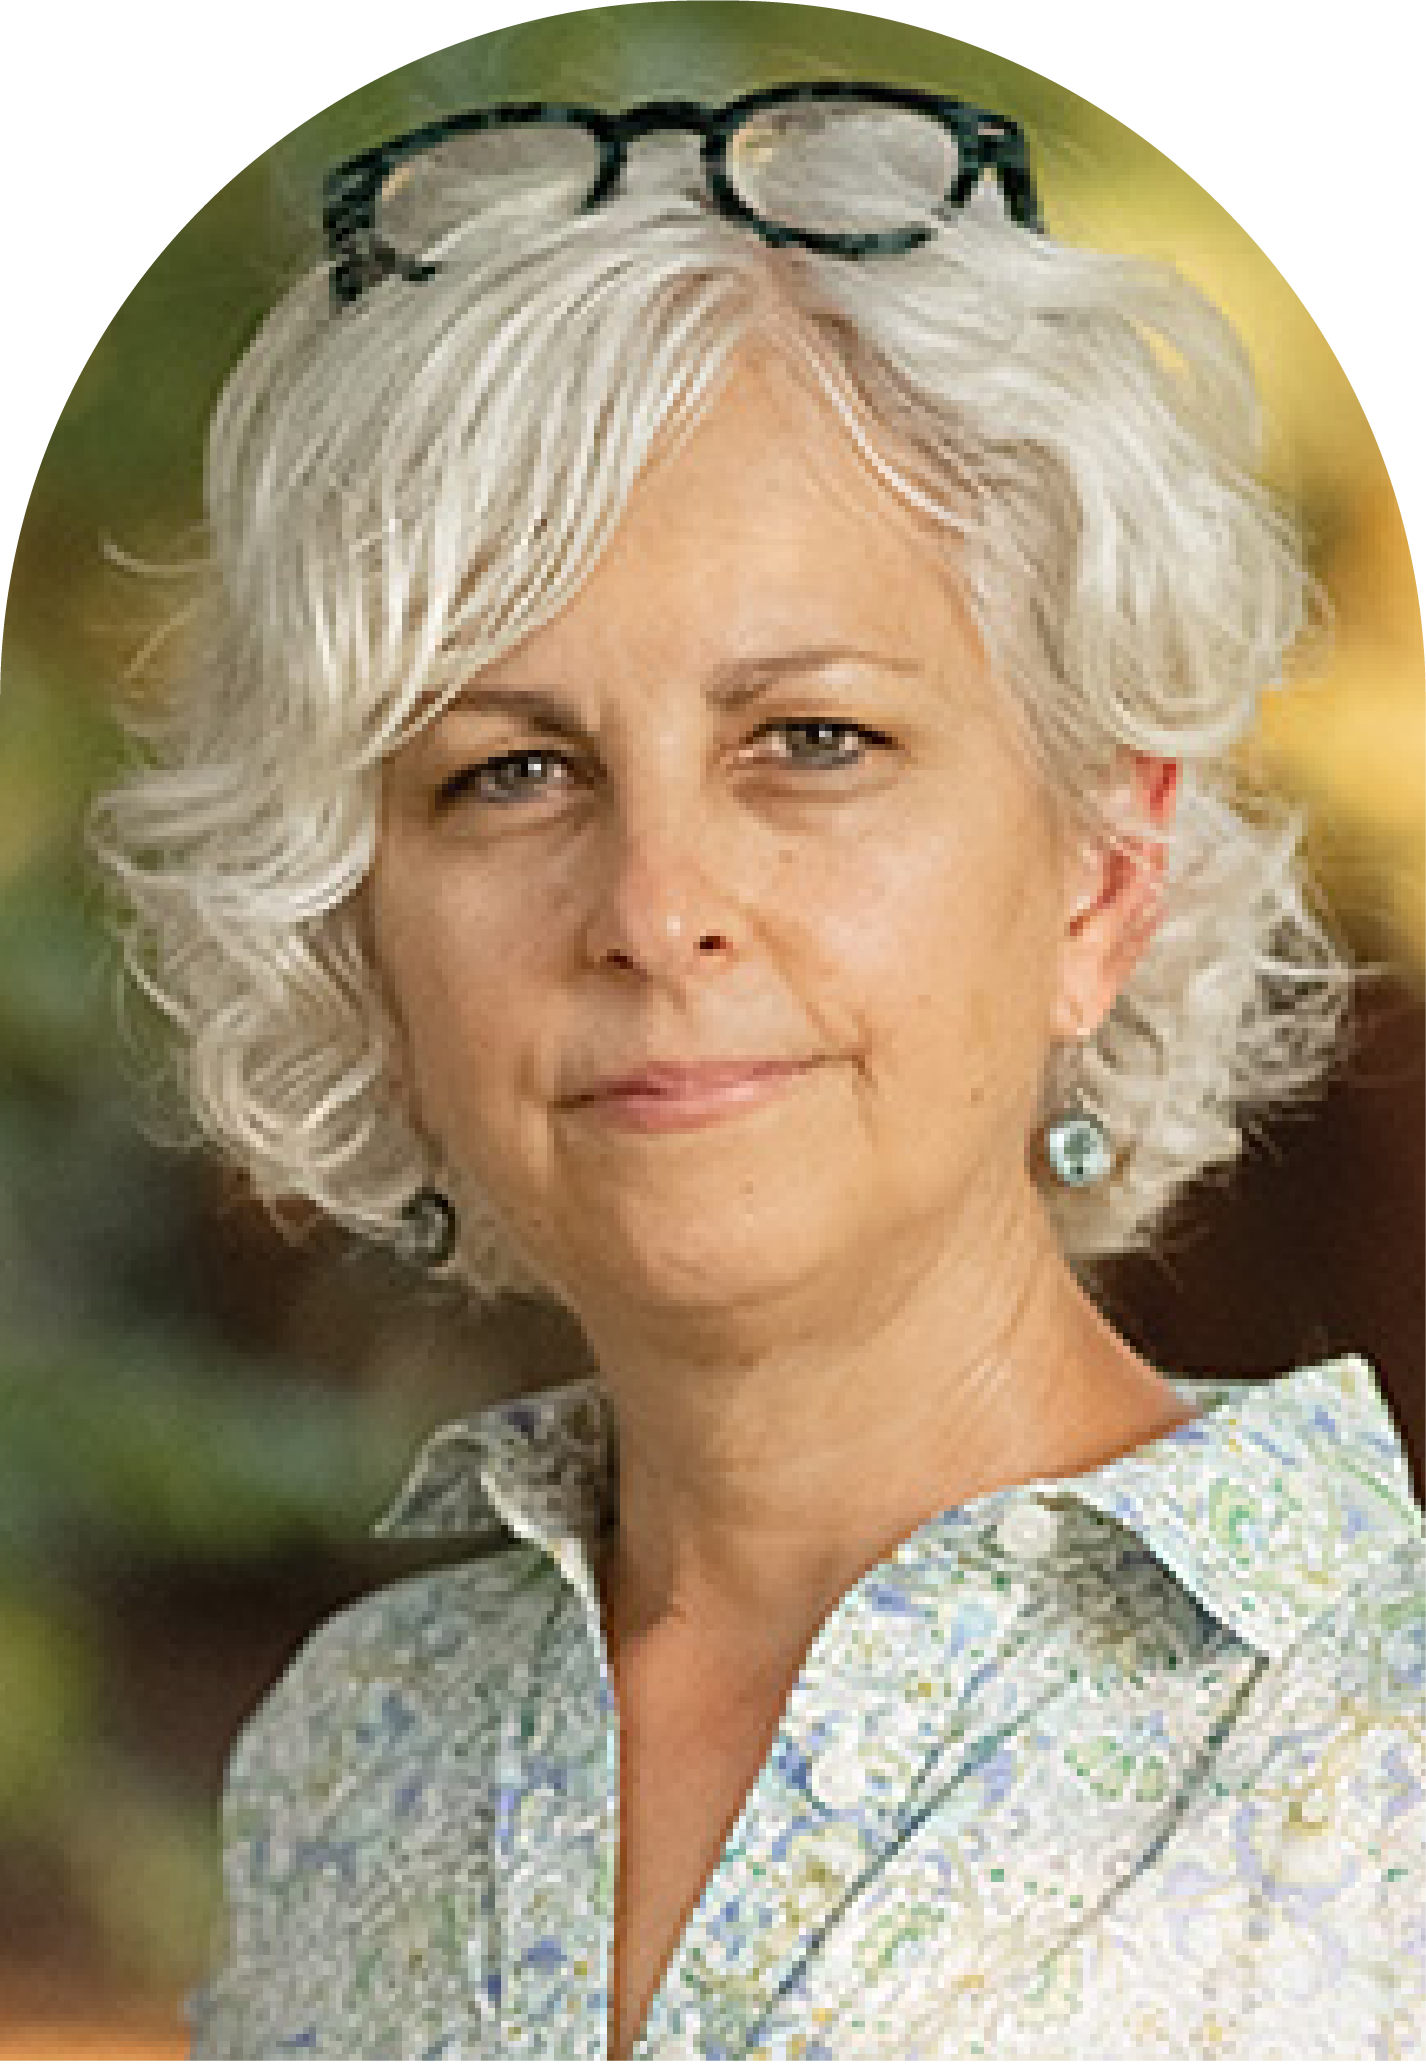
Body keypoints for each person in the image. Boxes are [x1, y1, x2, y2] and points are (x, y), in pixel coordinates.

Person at [85, 74, 1424, 2063]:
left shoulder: (1383, 1741)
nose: (653, 904)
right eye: (508, 770)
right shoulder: (355, 1754)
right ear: (363, 932)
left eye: (810, 741)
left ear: (1099, 872)